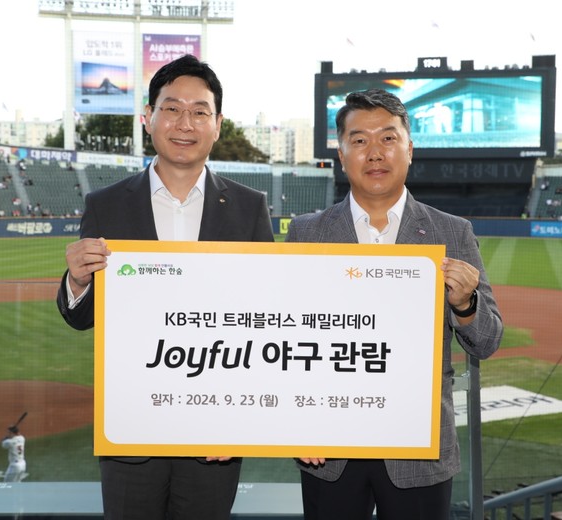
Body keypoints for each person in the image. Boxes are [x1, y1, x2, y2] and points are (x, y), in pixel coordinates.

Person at [56, 54, 274, 520]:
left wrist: (245, 416)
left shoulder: (249, 208)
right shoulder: (105, 204)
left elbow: (265, 318)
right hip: (132, 426)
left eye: (200, 111)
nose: (185, 123)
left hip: (216, 429)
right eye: (172, 108)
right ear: (148, 117)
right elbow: (82, 317)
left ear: (218, 124)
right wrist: (77, 280)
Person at [286, 88, 504, 520]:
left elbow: (487, 341)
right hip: (329, 445)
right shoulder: (306, 233)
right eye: (359, 140)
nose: (375, 152)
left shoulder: (452, 231)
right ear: (341, 154)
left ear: (409, 149)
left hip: (418, 450)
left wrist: (465, 304)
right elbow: (286, 338)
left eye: (388, 138)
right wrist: (299, 421)